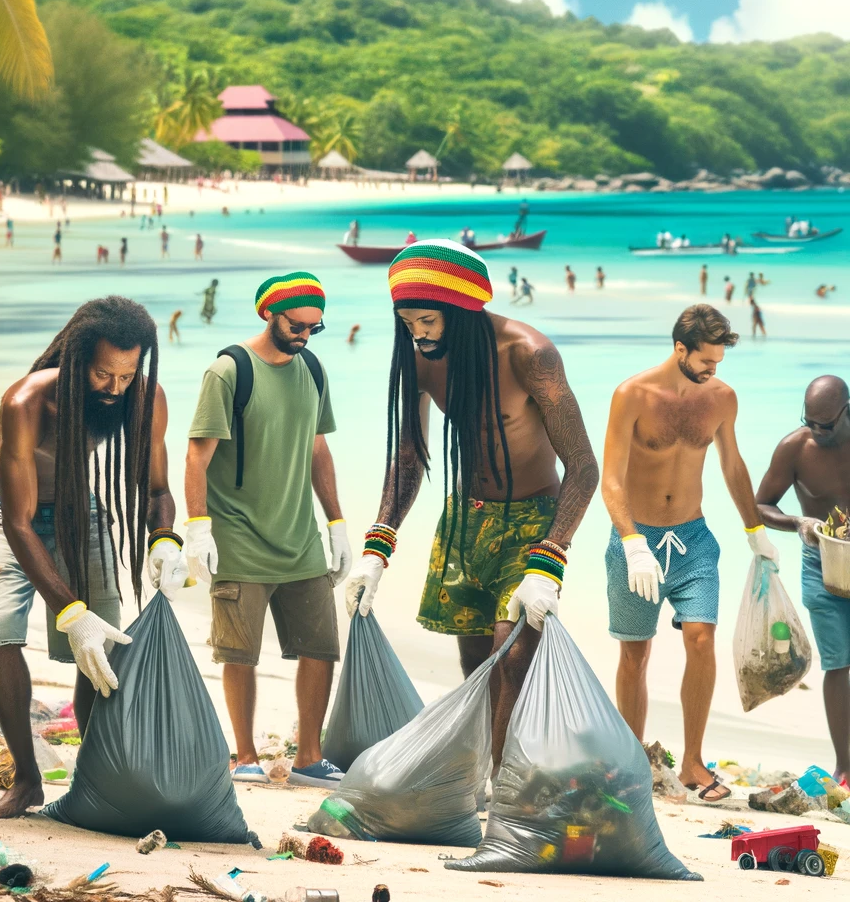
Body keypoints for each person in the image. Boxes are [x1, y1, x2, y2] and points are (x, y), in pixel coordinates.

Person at [344, 241, 598, 766]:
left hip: (533, 522)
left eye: (429, 320)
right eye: (408, 322)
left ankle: (503, 791)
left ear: (461, 309)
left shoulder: (529, 354)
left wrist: (551, 558)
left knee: (513, 656)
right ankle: (485, 773)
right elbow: (409, 456)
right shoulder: (421, 361)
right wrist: (378, 547)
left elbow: (583, 466)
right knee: (476, 664)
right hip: (466, 522)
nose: (418, 333)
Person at [0, 297, 181, 817]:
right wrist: (70, 611)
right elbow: (19, 524)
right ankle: (26, 779)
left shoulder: (145, 399)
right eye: (102, 374)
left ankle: (95, 778)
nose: (114, 389)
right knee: (0, 631)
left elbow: (157, 489)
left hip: (76, 507)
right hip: (3, 513)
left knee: (102, 649)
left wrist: (165, 540)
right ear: (74, 360)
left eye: (127, 376)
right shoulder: (26, 403)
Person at [601, 304, 777, 802]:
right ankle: (633, 759)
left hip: (694, 540)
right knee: (635, 653)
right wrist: (632, 542)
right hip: (637, 540)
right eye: (706, 361)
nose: (713, 371)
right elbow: (609, 478)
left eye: (719, 363)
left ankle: (694, 763)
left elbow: (733, 465)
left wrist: (755, 531)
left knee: (701, 638)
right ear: (680, 348)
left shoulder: (721, 398)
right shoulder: (631, 395)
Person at [185, 272, 351, 788]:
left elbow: (317, 448)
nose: (304, 335)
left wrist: (338, 523)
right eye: (296, 325)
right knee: (240, 652)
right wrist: (197, 528)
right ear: (269, 314)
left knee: (321, 646)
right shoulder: (229, 372)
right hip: (237, 536)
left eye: (313, 328)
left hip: (299, 537)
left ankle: (309, 757)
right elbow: (197, 453)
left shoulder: (313, 369)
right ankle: (245, 755)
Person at [756, 376, 850, 779]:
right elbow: (760, 504)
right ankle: (846, 766)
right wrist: (797, 522)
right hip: (820, 564)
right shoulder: (795, 449)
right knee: (839, 663)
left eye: (826, 425)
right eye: (809, 421)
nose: (816, 431)